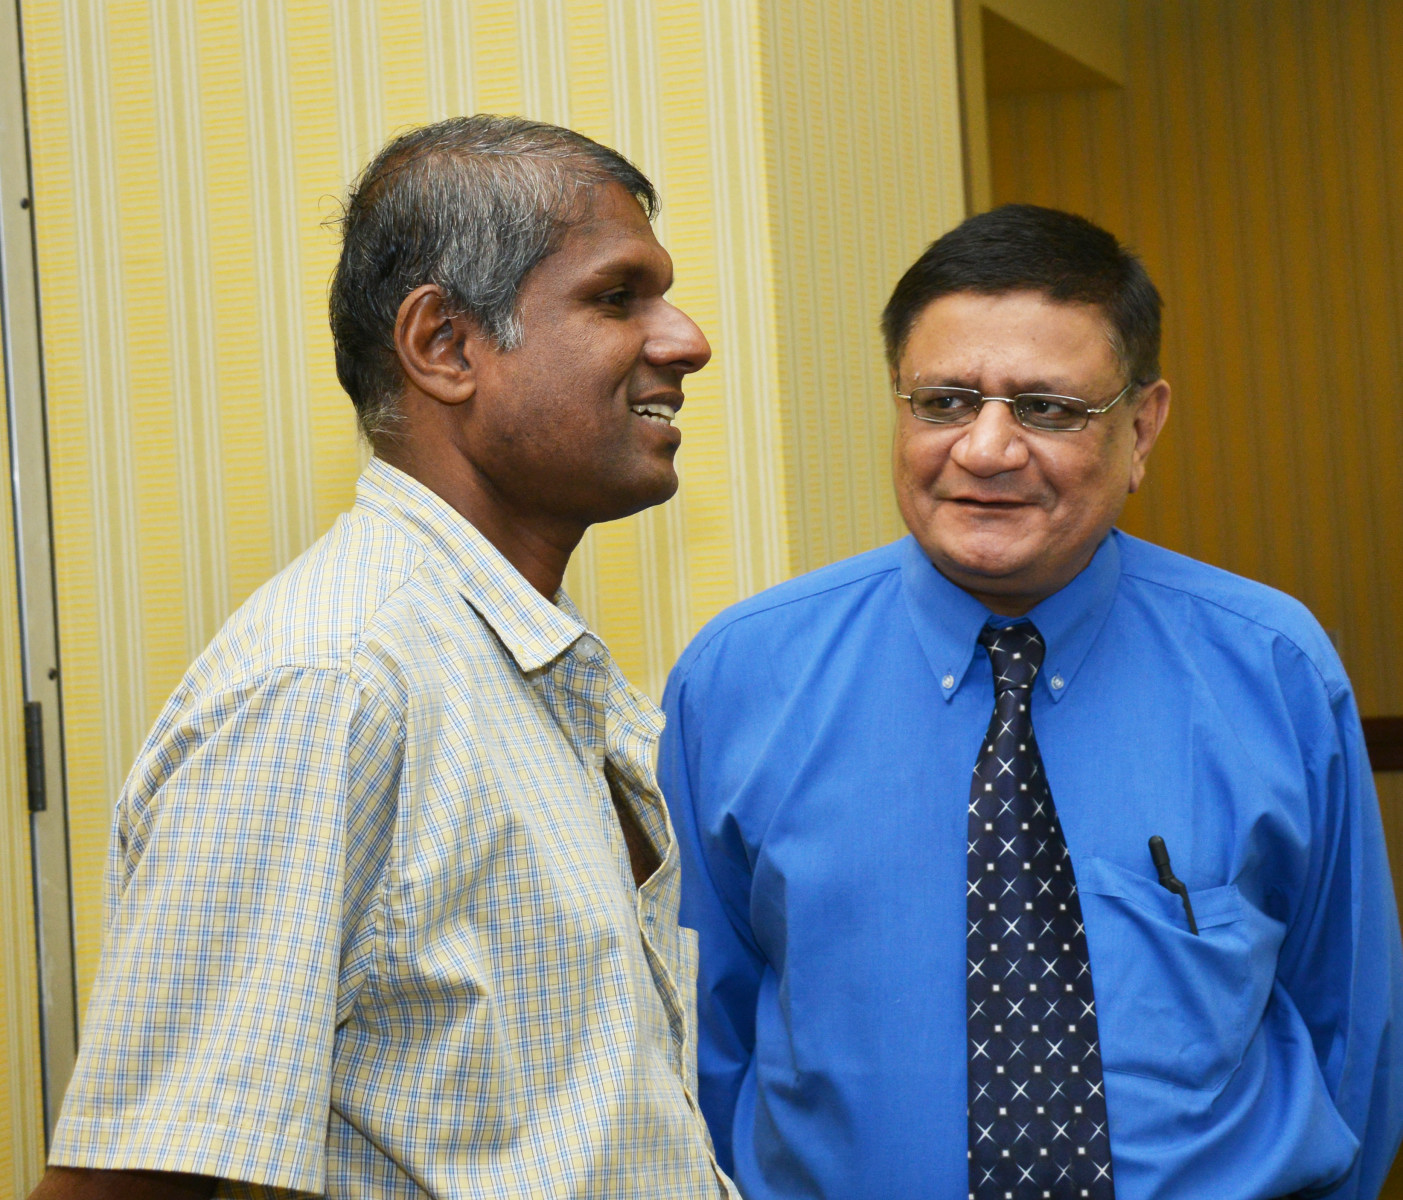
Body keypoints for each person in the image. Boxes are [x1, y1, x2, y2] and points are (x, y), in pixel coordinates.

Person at [36, 115, 736, 1200]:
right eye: (616, 298)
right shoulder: (331, 685)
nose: (684, 340)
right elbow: (133, 1183)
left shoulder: (527, 662)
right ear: (444, 346)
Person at [660, 204, 1403, 1199]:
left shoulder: (1269, 667)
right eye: (943, 401)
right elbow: (696, 1044)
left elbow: (1351, 1034)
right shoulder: (740, 679)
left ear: (1141, 427)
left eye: (1046, 408)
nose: (985, 449)